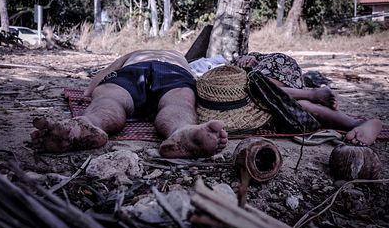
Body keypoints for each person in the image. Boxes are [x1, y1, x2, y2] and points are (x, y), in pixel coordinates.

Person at [31, 50, 228, 158]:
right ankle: (182, 130)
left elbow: (106, 72)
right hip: (174, 73)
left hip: (133, 70)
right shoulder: (179, 57)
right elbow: (199, 80)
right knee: (179, 103)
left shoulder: (135, 53)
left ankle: (86, 124)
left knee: (109, 99)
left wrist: (92, 89)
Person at [234, 52, 382, 146]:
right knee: (301, 106)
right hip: (273, 97)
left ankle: (357, 122)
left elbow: (248, 61)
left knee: (262, 87)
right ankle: (358, 122)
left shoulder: (256, 71)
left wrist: (247, 57)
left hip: (272, 70)